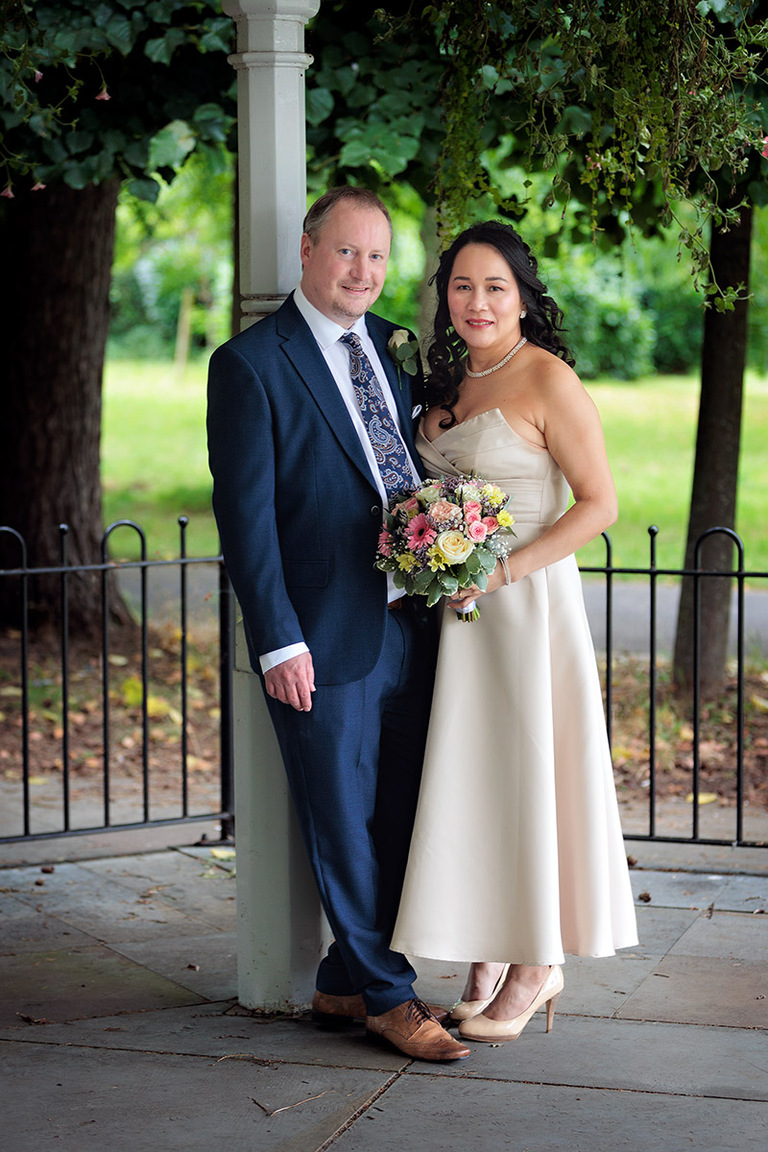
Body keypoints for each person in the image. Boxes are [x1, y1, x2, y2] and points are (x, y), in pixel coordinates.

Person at [206, 186, 470, 1062]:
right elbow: (246, 521)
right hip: (319, 634)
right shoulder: (250, 364)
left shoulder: (390, 348)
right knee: (341, 815)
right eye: (347, 252)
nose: (363, 271)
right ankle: (391, 999)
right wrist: (280, 640)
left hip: (408, 621)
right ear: (310, 251)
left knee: (398, 808)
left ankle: (341, 980)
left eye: (377, 256)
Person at [390, 220, 638, 1043]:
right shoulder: (447, 379)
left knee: (529, 773)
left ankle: (538, 964)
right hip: (456, 616)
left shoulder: (549, 380)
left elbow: (600, 504)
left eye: (495, 286)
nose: (477, 301)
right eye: (462, 285)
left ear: (524, 297)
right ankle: (486, 956)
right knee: (474, 779)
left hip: (525, 606)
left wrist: (502, 572)